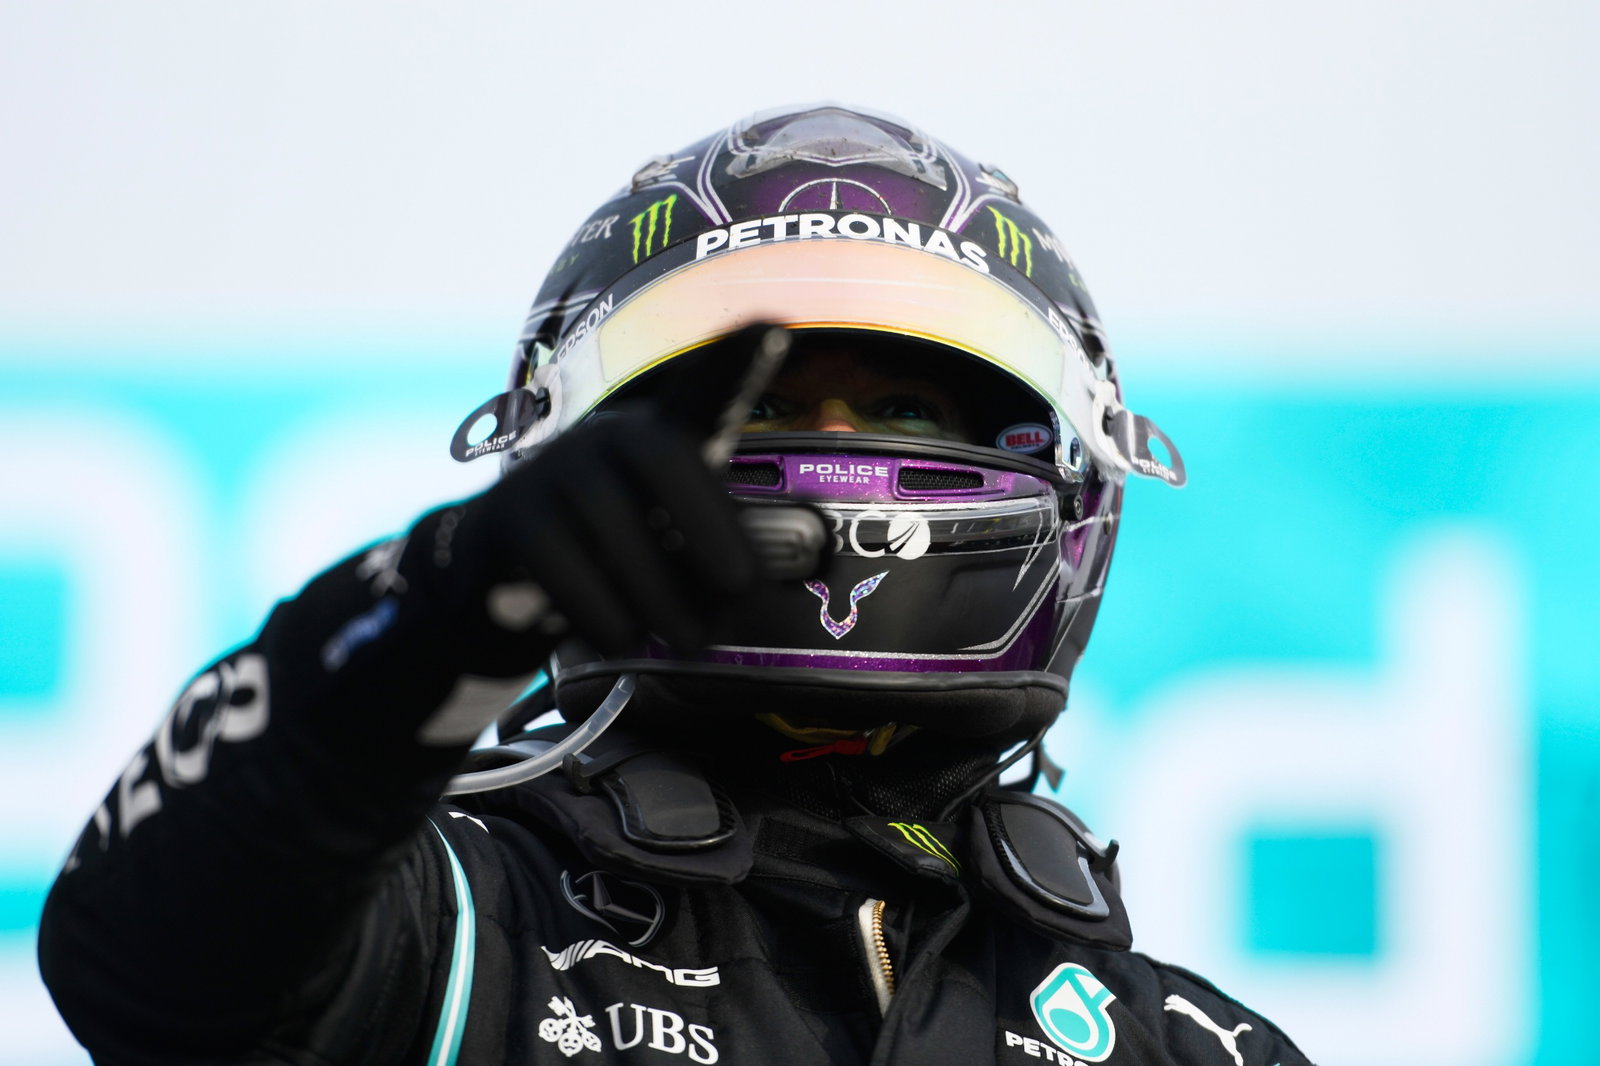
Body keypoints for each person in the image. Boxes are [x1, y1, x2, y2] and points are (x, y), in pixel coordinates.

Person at [38, 104, 1313, 1065]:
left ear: (1065, 474)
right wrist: (431, 615)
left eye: (909, 404)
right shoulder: (476, 928)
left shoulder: (1176, 1042)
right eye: (755, 400)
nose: (835, 461)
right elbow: (140, 955)